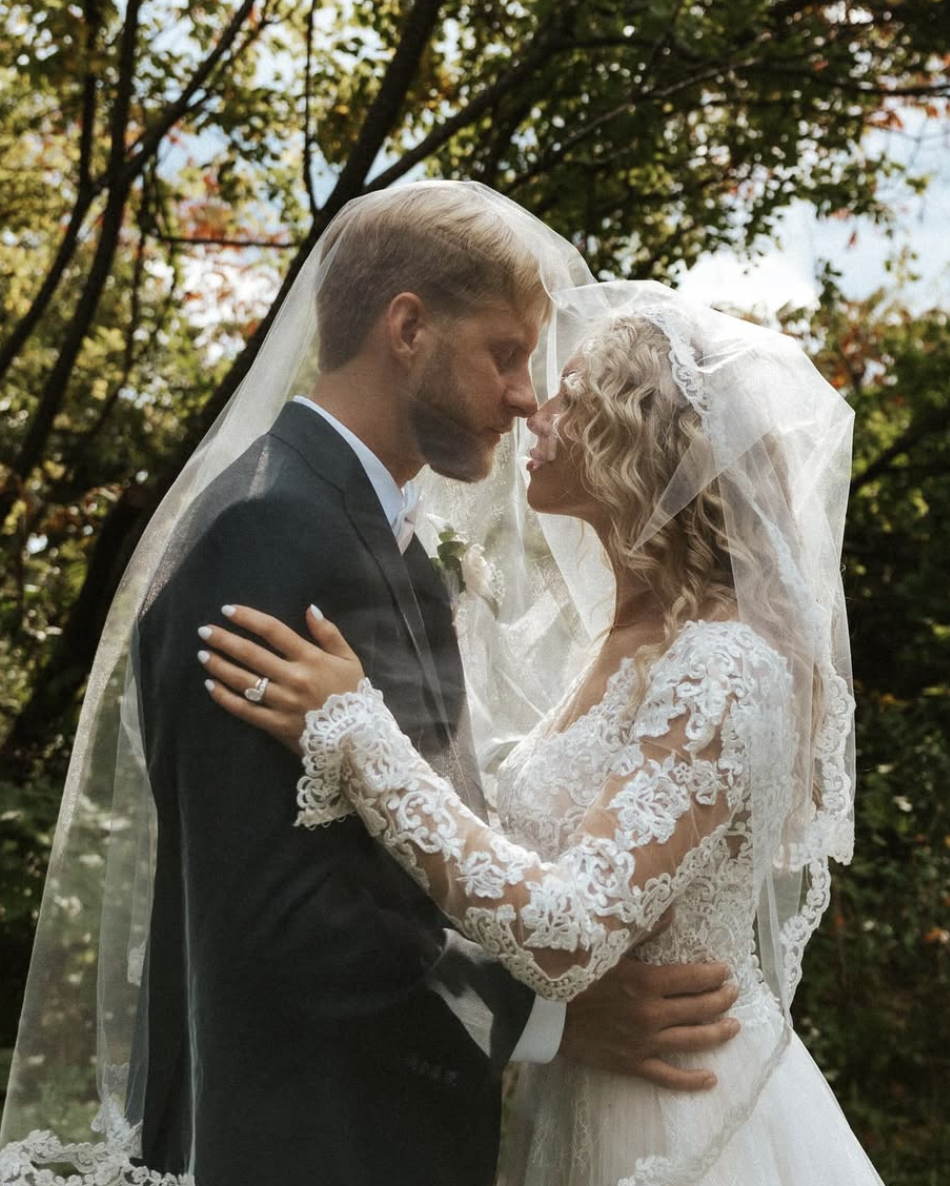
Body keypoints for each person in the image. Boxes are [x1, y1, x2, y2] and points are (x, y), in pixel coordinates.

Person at [0, 190, 738, 1186]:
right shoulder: (265, 529)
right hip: (308, 1144)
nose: (529, 397)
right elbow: (277, 917)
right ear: (406, 328)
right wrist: (541, 1019)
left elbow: (392, 865)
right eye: (505, 352)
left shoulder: (355, 526)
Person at [196, 281, 886, 1185]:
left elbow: (567, 929)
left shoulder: (728, 662)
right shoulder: (624, 643)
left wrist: (356, 734)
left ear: (643, 440)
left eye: (572, 397)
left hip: (685, 1114)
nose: (534, 411)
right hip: (581, 1099)